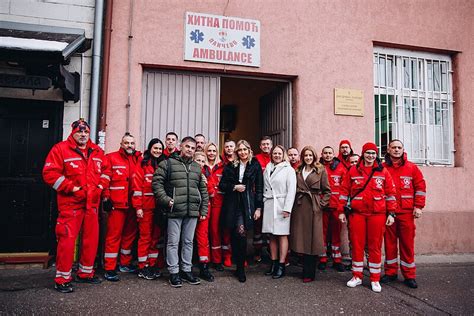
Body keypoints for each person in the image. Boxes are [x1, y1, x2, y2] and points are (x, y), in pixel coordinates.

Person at [43, 119, 107, 293]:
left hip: (91, 205)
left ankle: (86, 273)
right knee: (67, 242)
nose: (83, 135)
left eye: (86, 132)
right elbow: (49, 174)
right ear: (72, 132)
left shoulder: (97, 151)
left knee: (91, 241)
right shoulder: (60, 149)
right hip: (70, 204)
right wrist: (71, 188)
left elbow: (106, 172)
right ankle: (62, 279)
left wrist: (101, 187)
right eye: (79, 132)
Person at [338, 142, 397, 293]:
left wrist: (391, 213)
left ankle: (375, 278)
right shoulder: (353, 170)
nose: (370, 156)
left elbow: (390, 194)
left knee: (375, 247)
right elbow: (344, 192)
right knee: (357, 245)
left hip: (377, 215)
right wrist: (341, 211)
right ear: (363, 154)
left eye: (373, 153)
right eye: (368, 153)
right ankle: (356, 276)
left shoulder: (383, 171)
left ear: (376, 155)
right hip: (357, 214)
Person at [152, 136, 209, 288]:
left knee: (188, 242)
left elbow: (203, 190)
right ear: (180, 146)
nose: (190, 149)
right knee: (173, 242)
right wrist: (167, 200)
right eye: (187, 147)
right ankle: (174, 272)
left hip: (192, 212)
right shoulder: (168, 163)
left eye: (192, 147)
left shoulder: (197, 167)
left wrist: (203, 209)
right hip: (174, 211)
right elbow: (156, 183)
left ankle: (186, 270)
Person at [381, 139, 426, 289]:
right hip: (389, 213)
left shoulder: (412, 168)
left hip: (406, 213)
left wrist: (418, 206)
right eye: (393, 147)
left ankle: (409, 275)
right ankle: (391, 272)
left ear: (403, 150)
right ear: (388, 150)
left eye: (399, 147)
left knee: (407, 244)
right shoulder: (382, 168)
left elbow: (420, 187)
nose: (396, 150)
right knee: (389, 244)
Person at [219, 140, 263, 282]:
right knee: (236, 233)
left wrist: (258, 207)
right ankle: (238, 264)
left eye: (245, 149)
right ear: (237, 152)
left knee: (242, 233)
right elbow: (222, 185)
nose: (243, 152)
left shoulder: (255, 165)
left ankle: (240, 268)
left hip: (247, 203)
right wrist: (234, 187)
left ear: (249, 150)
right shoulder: (231, 165)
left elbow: (259, 188)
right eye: (240, 150)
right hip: (233, 204)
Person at [103, 133, 142, 281]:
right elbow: (105, 178)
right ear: (121, 144)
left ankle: (124, 264)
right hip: (117, 205)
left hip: (133, 205)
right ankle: (109, 268)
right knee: (113, 237)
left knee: (129, 236)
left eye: (132, 143)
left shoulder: (138, 159)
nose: (130, 145)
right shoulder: (111, 158)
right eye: (126, 143)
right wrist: (106, 197)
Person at [290, 146, 331, 283]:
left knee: (312, 239)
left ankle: (310, 272)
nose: (308, 158)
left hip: (313, 207)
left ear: (314, 156)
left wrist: (320, 204)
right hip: (300, 207)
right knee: (301, 238)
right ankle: (302, 268)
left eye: (310, 155)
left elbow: (327, 191)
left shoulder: (320, 170)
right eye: (306, 155)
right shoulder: (298, 170)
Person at [131, 138, 166, 280]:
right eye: (155, 148)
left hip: (159, 208)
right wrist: (138, 207)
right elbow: (137, 187)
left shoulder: (163, 164)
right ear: (150, 148)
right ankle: (142, 266)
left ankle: (152, 264)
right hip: (145, 207)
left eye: (159, 148)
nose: (157, 151)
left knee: (155, 238)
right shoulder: (143, 164)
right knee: (145, 237)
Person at [262, 145, 297, 279]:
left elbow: (291, 190)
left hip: (282, 205)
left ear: (283, 155)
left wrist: (287, 208)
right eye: (274, 153)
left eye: (279, 153)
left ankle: (281, 265)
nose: (276, 155)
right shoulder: (268, 168)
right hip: (270, 204)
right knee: (271, 235)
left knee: (282, 235)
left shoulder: (289, 170)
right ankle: (274, 262)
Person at [203, 142, 232, 270]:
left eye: (214, 151)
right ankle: (204, 259)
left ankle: (217, 260)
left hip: (218, 204)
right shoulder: (201, 167)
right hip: (204, 203)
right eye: (209, 151)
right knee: (203, 233)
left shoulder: (223, 167)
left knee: (216, 232)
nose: (211, 153)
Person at [319, 146, 347, 272]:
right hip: (322, 206)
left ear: (334, 154)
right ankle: (322, 259)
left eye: (330, 153)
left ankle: (337, 259)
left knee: (336, 234)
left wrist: (342, 206)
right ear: (322, 154)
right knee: (322, 234)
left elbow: (345, 187)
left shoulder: (341, 167)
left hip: (336, 207)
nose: (328, 155)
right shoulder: (318, 167)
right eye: (325, 153)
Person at [193, 151, 215, 282]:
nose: (200, 163)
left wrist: (206, 183)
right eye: (198, 160)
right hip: (190, 208)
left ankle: (204, 266)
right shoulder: (188, 172)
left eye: (202, 161)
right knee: (186, 238)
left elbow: (212, 193)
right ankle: (185, 266)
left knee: (202, 237)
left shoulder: (207, 173)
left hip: (204, 208)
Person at [253, 136, 273, 262]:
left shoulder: (276, 158)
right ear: (260, 146)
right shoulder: (256, 159)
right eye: (263, 144)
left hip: (271, 197)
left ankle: (272, 251)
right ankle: (257, 251)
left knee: (271, 225)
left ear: (271, 146)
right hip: (258, 195)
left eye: (268, 144)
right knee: (258, 226)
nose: (266, 146)